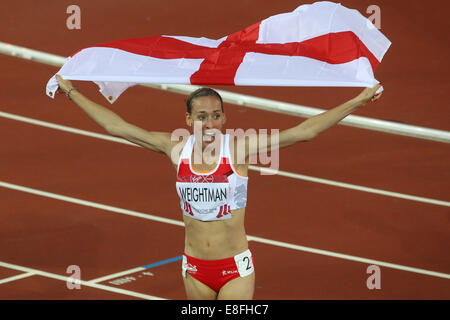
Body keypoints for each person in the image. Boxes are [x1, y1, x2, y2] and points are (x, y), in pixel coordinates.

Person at [55, 74, 382, 299]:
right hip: (194, 268)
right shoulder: (176, 149)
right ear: (188, 121)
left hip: (235, 269)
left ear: (224, 119)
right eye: (201, 117)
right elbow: (116, 126)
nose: (209, 124)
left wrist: (358, 101)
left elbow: (303, 132)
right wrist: (70, 90)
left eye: (215, 116)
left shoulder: (239, 148)